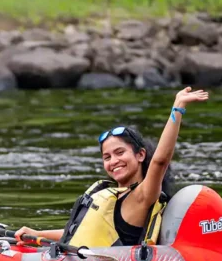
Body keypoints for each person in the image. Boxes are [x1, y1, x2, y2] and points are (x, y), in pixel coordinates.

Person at [15, 87, 209, 247]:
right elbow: (80, 233)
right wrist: (37, 233)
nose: (113, 161)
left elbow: (160, 160)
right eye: (107, 157)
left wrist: (178, 107)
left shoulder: (142, 196)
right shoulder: (112, 193)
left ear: (141, 155)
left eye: (120, 153)